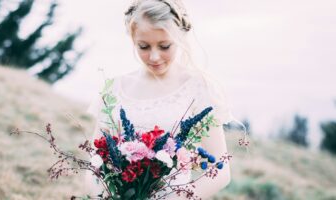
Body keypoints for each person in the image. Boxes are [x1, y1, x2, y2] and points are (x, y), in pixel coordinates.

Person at [84, 0, 239, 199]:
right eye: (144, 46)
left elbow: (220, 171)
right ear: (133, 40)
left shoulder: (197, 86)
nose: (154, 56)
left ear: (180, 38)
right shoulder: (114, 89)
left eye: (164, 46)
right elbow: (94, 163)